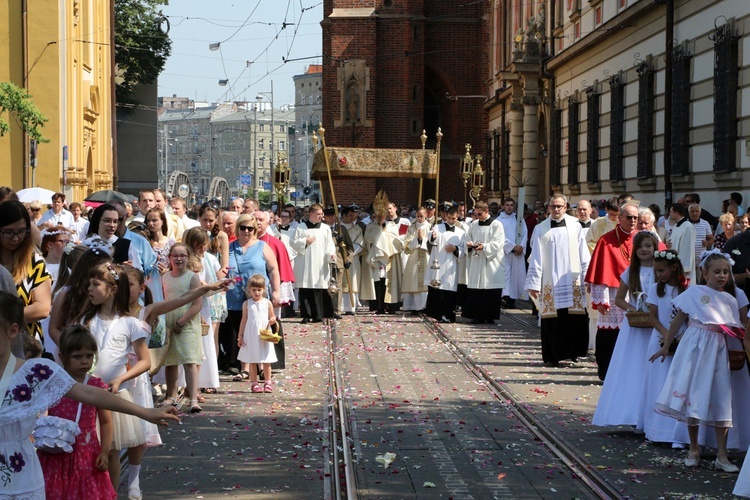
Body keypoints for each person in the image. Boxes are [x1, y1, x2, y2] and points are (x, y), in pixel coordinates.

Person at [0, 291, 179, 500]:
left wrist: (145, 412)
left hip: (20, 476)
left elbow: (90, 393)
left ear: (12, 331)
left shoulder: (35, 373)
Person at [651, 251, 746, 472]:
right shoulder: (694, 292)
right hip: (694, 346)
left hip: (717, 349)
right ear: (705, 273)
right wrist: (666, 345)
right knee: (692, 395)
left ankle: (722, 456)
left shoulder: (731, 299)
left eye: (725, 272)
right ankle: (693, 449)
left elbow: (736, 327)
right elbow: (678, 319)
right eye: (717, 271)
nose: (722, 276)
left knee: (721, 397)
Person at [74, 263, 156, 496]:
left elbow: (145, 361)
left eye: (95, 284)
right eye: (89, 283)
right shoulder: (85, 321)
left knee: (111, 451)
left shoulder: (129, 323)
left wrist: (121, 379)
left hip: (113, 395)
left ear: (111, 288)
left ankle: (111, 494)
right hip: (88, 394)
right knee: (90, 449)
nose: (89, 288)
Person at [38, 325, 117, 500]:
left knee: (85, 490)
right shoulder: (52, 384)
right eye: (77, 357)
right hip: (56, 454)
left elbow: (106, 421)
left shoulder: (97, 386)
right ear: (62, 357)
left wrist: (105, 451)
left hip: (86, 453)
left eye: (89, 356)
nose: (84, 361)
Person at [592, 231, 658, 427]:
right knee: (635, 366)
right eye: (640, 247)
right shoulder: (631, 272)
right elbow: (620, 299)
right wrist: (635, 309)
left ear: (655, 248)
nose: (644, 250)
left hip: (655, 324)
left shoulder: (661, 270)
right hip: (636, 328)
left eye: (648, 246)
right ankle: (632, 414)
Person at [526, 194, 590, 366]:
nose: (556, 209)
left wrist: (588, 276)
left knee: (572, 318)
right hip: (549, 280)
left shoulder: (575, 225)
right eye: (553, 206)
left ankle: (573, 352)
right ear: (549, 208)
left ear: (565, 207)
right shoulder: (541, 228)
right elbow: (536, 257)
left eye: (559, 206)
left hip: (572, 278)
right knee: (552, 320)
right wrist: (534, 282)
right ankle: (553, 355)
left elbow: (583, 252)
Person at [585, 202, 639, 380]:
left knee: (634, 335)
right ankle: (607, 372)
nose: (632, 221)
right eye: (629, 217)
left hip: (637, 294)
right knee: (609, 335)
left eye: (635, 218)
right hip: (614, 294)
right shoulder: (607, 240)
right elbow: (601, 271)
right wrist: (601, 301)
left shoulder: (643, 239)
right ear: (620, 218)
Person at [221, 214, 280, 375]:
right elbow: (222, 269)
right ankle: (245, 368)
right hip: (234, 296)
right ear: (237, 228)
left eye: (250, 228)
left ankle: (262, 366)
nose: (246, 231)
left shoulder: (262, 246)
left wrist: (276, 291)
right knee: (242, 332)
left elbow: (273, 269)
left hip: (258, 296)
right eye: (243, 227)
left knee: (260, 330)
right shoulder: (230, 247)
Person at [640, 249, 687, 444]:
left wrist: (679, 336)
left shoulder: (685, 289)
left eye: (661, 270)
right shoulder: (655, 289)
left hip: (682, 340)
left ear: (674, 268)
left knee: (678, 386)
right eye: (656, 271)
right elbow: (653, 317)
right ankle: (657, 430)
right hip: (659, 338)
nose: (658, 274)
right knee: (659, 383)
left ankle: (677, 433)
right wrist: (667, 335)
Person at [0, 200, 52, 346]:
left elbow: (43, 308)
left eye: (22, 231)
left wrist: (5, 321)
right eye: (8, 232)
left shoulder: (35, 261)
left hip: (27, 344)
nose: (16, 238)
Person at [161, 244, 204, 414]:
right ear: (170, 257)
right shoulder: (164, 277)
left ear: (188, 257)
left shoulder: (192, 277)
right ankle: (171, 395)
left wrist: (182, 322)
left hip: (187, 322)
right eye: (175, 255)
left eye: (182, 255)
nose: (179, 259)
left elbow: (197, 304)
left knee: (189, 360)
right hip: (169, 321)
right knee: (170, 361)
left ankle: (192, 397)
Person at [462, 201, 506, 324]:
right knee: (477, 289)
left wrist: (485, 247)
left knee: (490, 289)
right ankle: (477, 316)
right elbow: (467, 237)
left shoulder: (496, 225)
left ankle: (489, 316)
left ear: (486, 211)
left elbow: (498, 242)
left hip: (491, 262)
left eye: (479, 214)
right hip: (477, 260)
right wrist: (470, 244)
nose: (477, 216)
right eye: (476, 214)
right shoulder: (474, 224)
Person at [292, 204, 336, 323]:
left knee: (319, 289)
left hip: (320, 263)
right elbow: (293, 243)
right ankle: (306, 315)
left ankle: (319, 315)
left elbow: (330, 245)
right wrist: (304, 241)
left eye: (322, 214)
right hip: (305, 263)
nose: (321, 216)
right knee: (305, 289)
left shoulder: (325, 228)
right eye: (318, 214)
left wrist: (331, 254)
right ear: (311, 214)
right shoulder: (301, 227)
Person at [237, 274, 277, 393]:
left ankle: (268, 382)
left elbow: (272, 316)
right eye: (254, 290)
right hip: (251, 334)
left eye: (259, 290)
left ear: (264, 289)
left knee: (266, 359)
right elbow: (244, 320)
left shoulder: (267, 303)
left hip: (264, 333)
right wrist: (240, 335)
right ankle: (254, 383)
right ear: (249, 290)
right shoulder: (247, 304)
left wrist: (272, 320)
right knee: (253, 359)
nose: (257, 292)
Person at [424, 206, 465, 323]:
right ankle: (437, 314)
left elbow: (463, 249)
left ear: (457, 218)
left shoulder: (461, 233)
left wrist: (455, 248)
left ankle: (449, 314)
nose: (451, 221)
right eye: (449, 218)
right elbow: (432, 240)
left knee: (449, 289)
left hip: (451, 264)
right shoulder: (438, 227)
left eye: (454, 219)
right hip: (439, 261)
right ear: (446, 217)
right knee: (437, 289)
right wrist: (433, 236)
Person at [497, 198, 527, 309]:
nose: (509, 207)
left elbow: (524, 233)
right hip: (505, 252)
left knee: (516, 276)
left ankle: (513, 299)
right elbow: (500, 236)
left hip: (518, 252)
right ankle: (505, 297)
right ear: (503, 206)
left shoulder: (518, 219)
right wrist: (512, 247)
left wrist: (521, 246)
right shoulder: (499, 220)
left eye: (511, 205)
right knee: (506, 275)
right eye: (507, 205)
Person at [402, 207, 431, 312]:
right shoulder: (411, 228)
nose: (419, 218)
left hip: (427, 257)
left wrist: (423, 239)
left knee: (426, 282)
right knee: (413, 281)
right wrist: (417, 239)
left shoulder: (431, 227)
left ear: (426, 215)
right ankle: (414, 307)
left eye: (421, 216)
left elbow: (433, 244)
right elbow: (406, 244)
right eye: (418, 216)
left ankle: (425, 306)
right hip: (414, 258)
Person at [339, 206, 364, 315]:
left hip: (352, 259)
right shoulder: (337, 228)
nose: (352, 218)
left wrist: (349, 253)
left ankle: (351, 306)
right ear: (343, 216)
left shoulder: (357, 229)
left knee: (352, 281)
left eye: (353, 216)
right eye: (350, 216)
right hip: (339, 258)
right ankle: (340, 306)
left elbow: (360, 244)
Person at [667, 202, 697, 283]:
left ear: (676, 213)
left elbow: (688, 249)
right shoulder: (676, 225)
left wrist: (684, 268)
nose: (670, 214)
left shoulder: (688, 227)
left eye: (671, 212)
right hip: (675, 264)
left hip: (683, 268)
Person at [688, 203, 714, 281]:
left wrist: (707, 243)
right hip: (689, 258)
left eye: (696, 211)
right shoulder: (685, 223)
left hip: (700, 257)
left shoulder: (705, 223)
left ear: (700, 212)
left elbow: (711, 239)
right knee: (690, 281)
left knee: (700, 280)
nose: (694, 213)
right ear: (689, 213)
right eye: (692, 211)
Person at [146, 207, 175, 274]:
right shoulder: (146, 241)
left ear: (162, 221)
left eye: (154, 220)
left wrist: (168, 270)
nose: (150, 223)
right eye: (148, 220)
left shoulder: (171, 243)